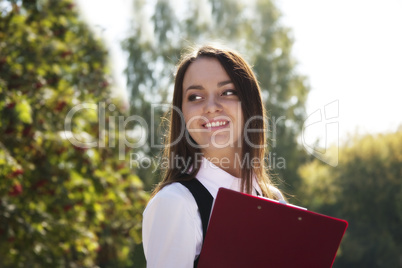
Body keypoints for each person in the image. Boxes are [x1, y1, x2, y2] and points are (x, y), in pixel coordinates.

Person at [142, 44, 285, 268]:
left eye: (227, 92)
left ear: (250, 105)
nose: (210, 107)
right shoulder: (176, 203)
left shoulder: (273, 199)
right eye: (195, 96)